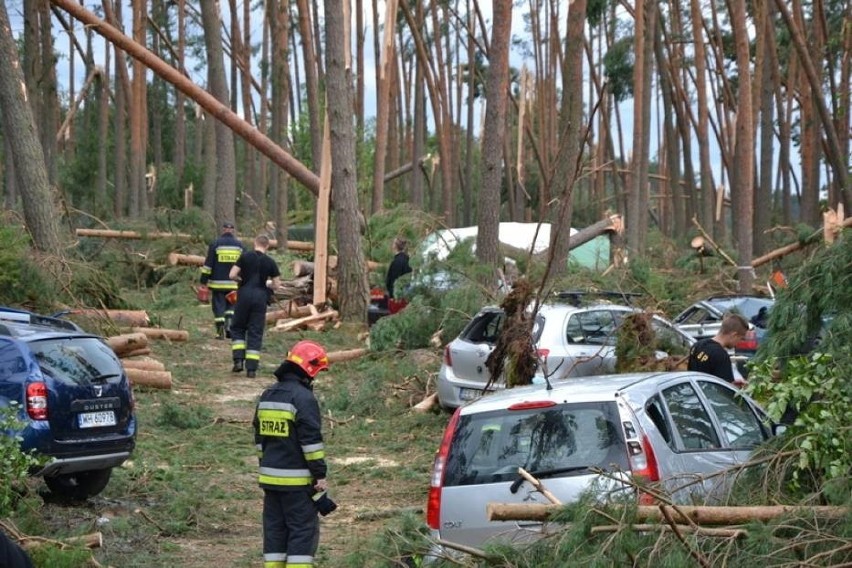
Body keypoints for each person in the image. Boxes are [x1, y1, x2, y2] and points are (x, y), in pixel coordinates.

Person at [253, 340, 334, 568]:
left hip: (270, 482)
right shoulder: (303, 399)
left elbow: (259, 439)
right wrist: (320, 475)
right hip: (298, 485)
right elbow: (311, 444)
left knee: (275, 533)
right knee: (301, 534)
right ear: (309, 370)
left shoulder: (267, 395)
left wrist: (266, 464)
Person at [229, 234, 281, 378]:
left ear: (255, 243)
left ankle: (238, 360)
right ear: (267, 246)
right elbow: (277, 284)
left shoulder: (245, 256)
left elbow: (232, 274)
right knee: (255, 331)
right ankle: (251, 369)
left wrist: (241, 280)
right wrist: (268, 284)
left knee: (238, 327)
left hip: (244, 295)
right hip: (260, 298)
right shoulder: (270, 262)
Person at [199, 221, 245, 339]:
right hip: (234, 284)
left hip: (217, 284)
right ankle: (229, 326)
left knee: (219, 307)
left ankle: (220, 332)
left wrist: (203, 281)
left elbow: (208, 265)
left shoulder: (216, 244)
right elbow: (244, 265)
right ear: (233, 230)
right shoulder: (239, 246)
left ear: (223, 230)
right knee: (231, 307)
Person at [687, 313, 749, 386]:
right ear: (734, 335)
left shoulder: (697, 345)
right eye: (741, 338)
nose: (739, 342)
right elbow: (724, 390)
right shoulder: (721, 355)